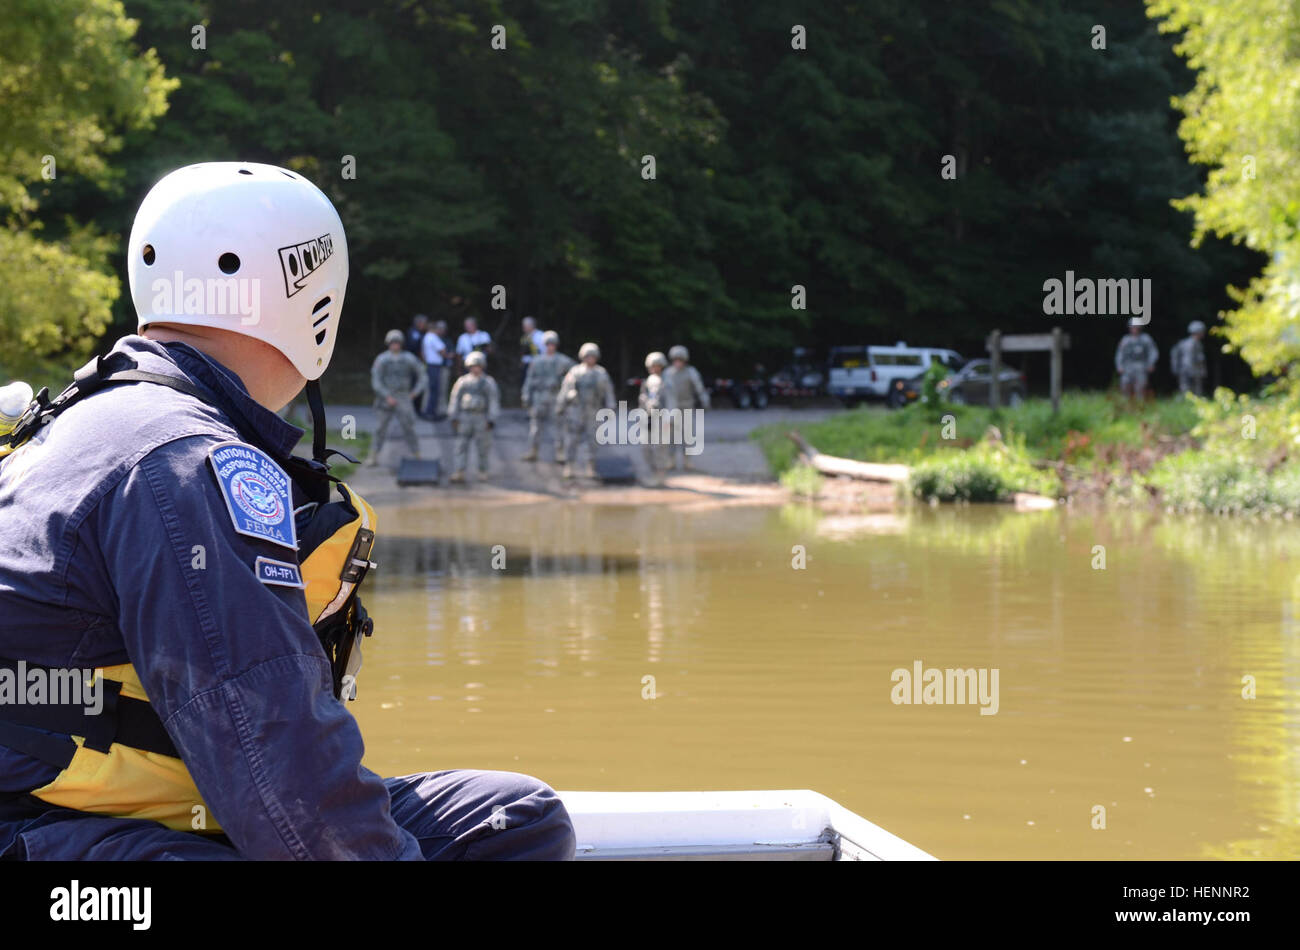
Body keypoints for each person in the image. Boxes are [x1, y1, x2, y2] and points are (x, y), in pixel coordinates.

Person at [0, 162, 574, 860]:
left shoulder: (97, 416)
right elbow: (274, 759)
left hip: (111, 807)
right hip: (34, 828)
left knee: (516, 817)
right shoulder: (186, 458)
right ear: (307, 297)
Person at [556, 342, 614, 479]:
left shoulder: (601, 373)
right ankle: (569, 466)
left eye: (593, 356)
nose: (590, 359)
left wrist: (610, 408)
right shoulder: (575, 372)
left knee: (592, 439)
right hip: (576, 409)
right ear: (582, 356)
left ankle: (590, 466)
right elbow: (566, 389)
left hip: (593, 410)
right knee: (572, 439)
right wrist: (560, 405)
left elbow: (608, 391)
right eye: (587, 356)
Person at [369, 329, 426, 464]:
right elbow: (376, 380)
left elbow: (422, 375)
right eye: (392, 343)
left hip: (403, 397)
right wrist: (385, 395)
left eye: (397, 343)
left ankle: (416, 453)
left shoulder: (408, 358)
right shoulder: (382, 359)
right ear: (388, 343)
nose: (395, 345)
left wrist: (414, 393)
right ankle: (373, 456)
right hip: (385, 398)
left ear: (401, 344)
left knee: (409, 427)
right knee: (380, 428)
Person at [520, 330, 574, 463]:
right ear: (544, 345)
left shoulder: (563, 360)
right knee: (535, 427)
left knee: (558, 427)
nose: (550, 346)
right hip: (539, 396)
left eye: (553, 344)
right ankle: (533, 450)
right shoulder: (536, 361)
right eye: (548, 344)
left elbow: (575, 372)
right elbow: (529, 379)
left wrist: (566, 386)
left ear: (556, 345)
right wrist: (526, 395)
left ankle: (559, 453)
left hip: (555, 396)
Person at [447, 350, 500, 482]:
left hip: (481, 417)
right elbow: (455, 399)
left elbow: (493, 400)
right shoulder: (463, 382)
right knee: (461, 445)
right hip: (465, 416)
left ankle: (482, 470)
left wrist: (491, 418)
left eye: (478, 366)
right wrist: (453, 416)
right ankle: (459, 471)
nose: (475, 369)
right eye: (473, 366)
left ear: (482, 366)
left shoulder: (488, 382)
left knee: (483, 446)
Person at [662, 344, 710, 470]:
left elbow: (699, 387)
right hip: (671, 408)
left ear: (685, 360)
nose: (678, 363)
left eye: (680, 360)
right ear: (672, 360)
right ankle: (670, 460)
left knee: (687, 435)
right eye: (676, 360)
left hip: (686, 406)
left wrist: (705, 400)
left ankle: (687, 460)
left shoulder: (691, 372)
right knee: (670, 436)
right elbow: (662, 391)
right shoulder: (667, 373)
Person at [640, 352, 672, 485]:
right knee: (645, 448)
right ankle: (653, 473)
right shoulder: (647, 382)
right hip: (648, 418)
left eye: (657, 366)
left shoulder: (667, 382)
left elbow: (672, 401)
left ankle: (661, 477)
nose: (654, 368)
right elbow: (642, 399)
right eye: (652, 366)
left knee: (660, 448)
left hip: (662, 418)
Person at [1115, 319, 1159, 402]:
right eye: (1132, 327)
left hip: (1141, 366)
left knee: (1140, 386)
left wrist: (1151, 364)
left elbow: (1153, 352)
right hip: (1127, 366)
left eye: (1136, 327)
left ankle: (1140, 405)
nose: (1134, 329)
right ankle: (1125, 403)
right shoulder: (1125, 340)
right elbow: (1120, 354)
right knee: (1125, 384)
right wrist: (1119, 366)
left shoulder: (1146, 339)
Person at [420, 319, 449, 420]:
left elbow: (423, 353)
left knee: (431, 389)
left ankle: (428, 411)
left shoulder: (426, 337)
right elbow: (442, 350)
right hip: (435, 366)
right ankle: (431, 412)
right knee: (435, 390)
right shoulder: (433, 337)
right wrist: (448, 355)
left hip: (429, 364)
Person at [1171, 320, 1208, 396]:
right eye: (1202, 331)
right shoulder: (1191, 343)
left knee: (1192, 391)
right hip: (1190, 371)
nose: (1203, 333)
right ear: (1198, 332)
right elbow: (1188, 359)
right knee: (1188, 391)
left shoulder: (1196, 343)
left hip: (1193, 371)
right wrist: (1192, 372)